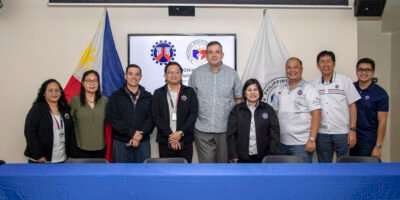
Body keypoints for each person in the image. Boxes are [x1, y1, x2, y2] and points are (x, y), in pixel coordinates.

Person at [188, 41, 242, 163]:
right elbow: (190, 101)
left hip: (226, 129)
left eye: (217, 52)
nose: (214, 55)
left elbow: (238, 99)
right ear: (206, 55)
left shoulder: (232, 74)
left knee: (224, 166)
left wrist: (237, 126)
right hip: (202, 129)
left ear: (222, 55)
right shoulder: (196, 73)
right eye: (210, 52)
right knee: (207, 167)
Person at [312, 50, 361, 163]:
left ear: (334, 63)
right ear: (317, 65)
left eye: (328, 61)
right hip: (322, 134)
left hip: (342, 133)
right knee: (324, 167)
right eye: (322, 61)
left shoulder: (345, 81)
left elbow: (352, 105)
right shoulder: (313, 85)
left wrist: (353, 130)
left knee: (345, 166)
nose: (325, 64)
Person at [272, 57, 321, 163]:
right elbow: (275, 113)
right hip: (282, 143)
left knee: (302, 176)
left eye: (295, 67)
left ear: (301, 70)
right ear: (285, 70)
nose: (292, 70)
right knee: (284, 176)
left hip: (302, 145)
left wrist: (312, 139)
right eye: (289, 67)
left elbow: (316, 114)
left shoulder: (309, 89)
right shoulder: (279, 89)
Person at [152, 62, 198, 163]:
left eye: (177, 72)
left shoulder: (189, 92)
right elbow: (156, 116)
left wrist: (180, 133)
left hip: (185, 140)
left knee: (185, 172)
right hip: (165, 140)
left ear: (181, 75)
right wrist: (171, 136)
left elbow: (193, 114)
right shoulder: (158, 93)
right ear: (165, 75)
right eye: (170, 72)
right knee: (166, 172)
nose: (174, 75)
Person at [107, 64, 154, 163]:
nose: (134, 77)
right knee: (121, 176)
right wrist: (132, 133)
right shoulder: (115, 96)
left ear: (140, 77)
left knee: (143, 175)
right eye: (130, 74)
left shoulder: (149, 97)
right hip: (121, 143)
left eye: (137, 74)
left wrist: (139, 136)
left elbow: (151, 118)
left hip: (143, 142)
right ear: (125, 76)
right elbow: (113, 119)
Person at [227, 79, 280, 163]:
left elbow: (274, 134)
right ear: (245, 93)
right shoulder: (237, 110)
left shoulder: (268, 109)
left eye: (255, 90)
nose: (252, 93)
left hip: (264, 158)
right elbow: (231, 135)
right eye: (249, 90)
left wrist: (271, 155)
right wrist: (234, 155)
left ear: (259, 92)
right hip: (241, 158)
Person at [24, 79, 75, 163]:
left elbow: (71, 133)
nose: (54, 93)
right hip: (42, 160)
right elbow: (30, 132)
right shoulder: (38, 109)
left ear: (60, 93)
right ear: (44, 93)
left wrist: (71, 154)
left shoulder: (65, 109)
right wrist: (39, 156)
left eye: (57, 90)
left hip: (62, 158)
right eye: (50, 90)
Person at [351, 58, 389, 158]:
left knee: (365, 171)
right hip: (350, 138)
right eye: (360, 69)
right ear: (356, 71)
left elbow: (382, 121)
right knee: (349, 170)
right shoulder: (350, 88)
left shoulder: (380, 94)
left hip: (368, 140)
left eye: (367, 70)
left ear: (373, 72)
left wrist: (378, 146)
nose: (363, 73)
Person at [69, 70, 108, 158]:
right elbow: (68, 123)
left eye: (95, 80)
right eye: (88, 81)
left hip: (100, 148)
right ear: (82, 83)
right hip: (80, 148)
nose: (92, 84)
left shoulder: (105, 101)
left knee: (99, 172)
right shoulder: (75, 100)